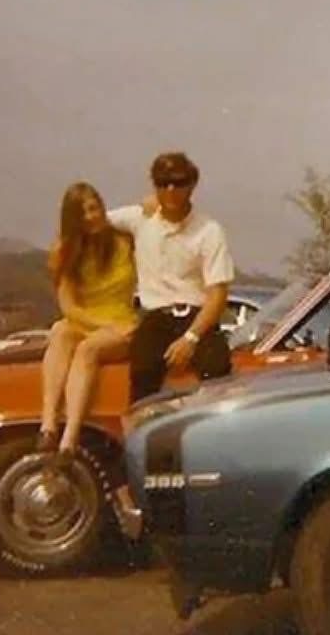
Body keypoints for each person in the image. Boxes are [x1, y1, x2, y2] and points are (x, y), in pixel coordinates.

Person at [107, 152, 236, 402]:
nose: (170, 190)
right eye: (162, 183)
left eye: (178, 183)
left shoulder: (209, 231)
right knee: (142, 379)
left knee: (218, 375)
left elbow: (218, 294)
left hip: (198, 320)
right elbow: (88, 221)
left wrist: (190, 338)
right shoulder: (139, 219)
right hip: (155, 318)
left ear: (192, 184)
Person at [38, 182, 137, 460]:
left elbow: (149, 211)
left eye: (95, 208)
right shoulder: (65, 251)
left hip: (122, 321)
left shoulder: (125, 240)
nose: (91, 217)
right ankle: (47, 425)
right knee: (60, 331)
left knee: (87, 349)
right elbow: (68, 307)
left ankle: (69, 438)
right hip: (87, 320)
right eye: (83, 213)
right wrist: (102, 326)